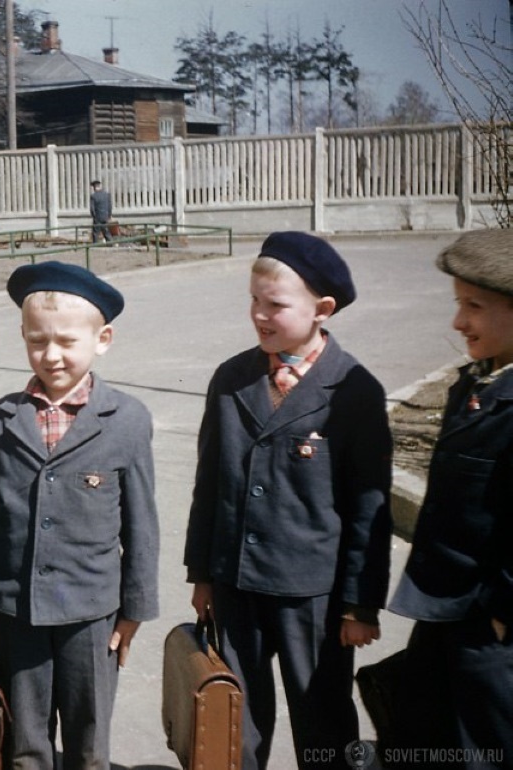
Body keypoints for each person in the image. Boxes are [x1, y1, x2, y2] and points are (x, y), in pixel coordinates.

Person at [183, 231, 393, 770]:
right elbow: (210, 482)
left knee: (322, 718)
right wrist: (204, 573)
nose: (259, 315)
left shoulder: (354, 390)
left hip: (313, 599)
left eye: (275, 305)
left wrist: (359, 605)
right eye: (253, 301)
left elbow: (368, 509)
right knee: (234, 722)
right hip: (236, 583)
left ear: (323, 309)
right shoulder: (232, 379)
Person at [0, 260, 160, 769]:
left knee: (88, 735)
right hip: (18, 609)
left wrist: (133, 611)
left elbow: (142, 524)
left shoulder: (127, 419)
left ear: (103, 340)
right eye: (37, 341)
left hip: (92, 613)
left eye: (67, 342)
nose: (51, 355)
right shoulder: (1, 420)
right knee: (25, 738)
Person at [386, 228, 513, 766]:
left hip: (491, 627)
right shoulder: (475, 386)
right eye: (459, 304)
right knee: (422, 734)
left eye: (475, 307)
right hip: (446, 610)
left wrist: (502, 615)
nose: (459, 323)